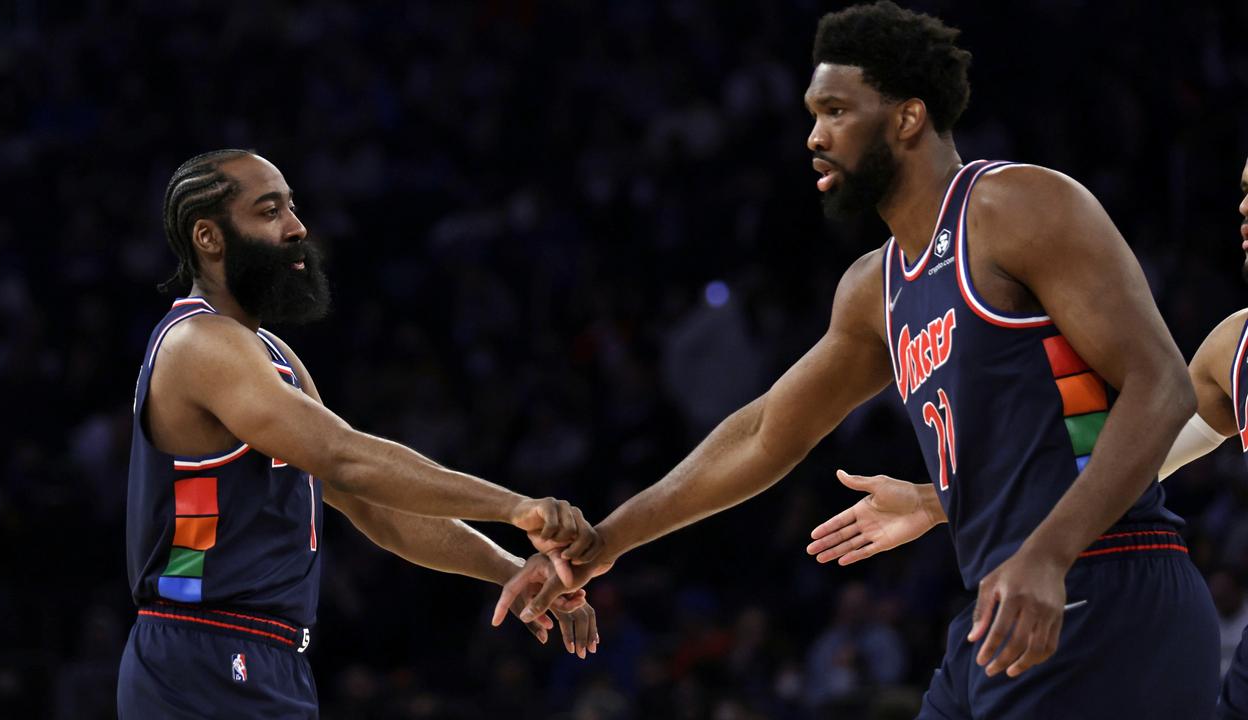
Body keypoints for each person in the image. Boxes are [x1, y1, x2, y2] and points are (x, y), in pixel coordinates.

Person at [498, 3, 1219, 717]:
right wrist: (608, 540)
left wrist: (1051, 553)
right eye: (813, 115)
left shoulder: (1015, 205)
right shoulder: (875, 289)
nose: (814, 137)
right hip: (1004, 602)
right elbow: (764, 434)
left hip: (1106, 581)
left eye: (836, 111)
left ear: (907, 118)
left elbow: (1161, 388)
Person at [117, 149, 599, 719]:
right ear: (210, 237)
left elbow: (375, 503)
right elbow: (345, 458)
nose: (297, 227)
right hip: (199, 650)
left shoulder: (272, 356)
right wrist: (518, 507)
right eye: (269, 212)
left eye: (292, 207)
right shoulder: (197, 343)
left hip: (264, 656)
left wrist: (511, 570)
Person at [807, 155, 1248, 717]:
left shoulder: (1017, 214)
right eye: (1242, 188)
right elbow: (1126, 458)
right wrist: (939, 499)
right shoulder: (1233, 348)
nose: (1243, 206)